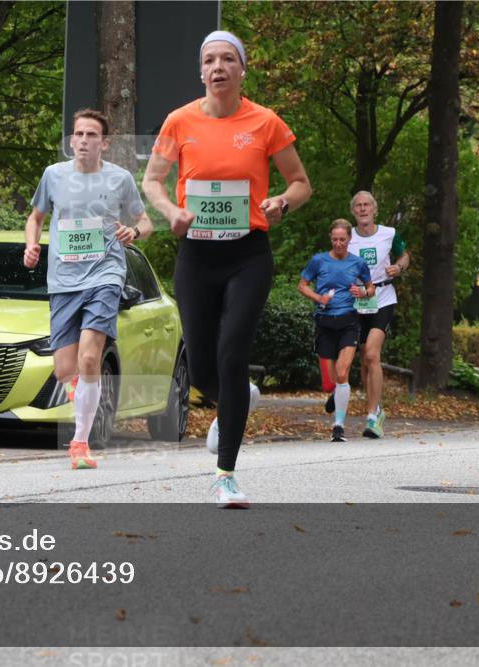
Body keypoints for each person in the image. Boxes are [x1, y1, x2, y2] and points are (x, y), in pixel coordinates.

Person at [142, 30, 311, 508]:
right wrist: (170, 212)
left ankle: (225, 476)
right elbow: (152, 180)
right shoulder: (179, 121)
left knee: (233, 354)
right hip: (196, 256)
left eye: (227, 60)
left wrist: (282, 200)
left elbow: (300, 183)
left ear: (242, 70)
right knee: (201, 370)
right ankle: (241, 396)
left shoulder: (265, 122)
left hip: (248, 254)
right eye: (209, 60)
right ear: (201, 72)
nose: (218, 67)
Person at [24, 108, 153, 470]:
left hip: (105, 275)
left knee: (90, 358)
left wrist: (136, 231)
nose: (82, 140)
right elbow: (35, 219)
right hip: (63, 281)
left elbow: (145, 220)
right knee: (65, 368)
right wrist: (30, 245)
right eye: (78, 134)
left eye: (91, 135)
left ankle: (80, 443)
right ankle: (78, 392)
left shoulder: (120, 179)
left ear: (105, 143)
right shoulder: (53, 176)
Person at [299, 219, 374, 442]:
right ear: (330, 239)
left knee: (343, 374)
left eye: (343, 239)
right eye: (335, 240)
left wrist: (363, 293)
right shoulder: (318, 261)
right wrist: (318, 297)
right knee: (331, 381)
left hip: (349, 322)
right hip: (324, 322)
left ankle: (338, 426)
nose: (339, 243)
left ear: (350, 239)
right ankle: (335, 393)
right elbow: (302, 285)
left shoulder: (358, 263)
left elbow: (370, 287)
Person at [346, 191, 410, 438]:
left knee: (372, 353)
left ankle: (373, 416)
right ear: (353, 211)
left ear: (374, 210)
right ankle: (376, 408)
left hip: (383, 297)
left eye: (367, 205)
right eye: (358, 206)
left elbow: (405, 255)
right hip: (358, 300)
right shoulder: (347, 237)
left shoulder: (389, 234)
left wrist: (399, 266)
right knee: (364, 359)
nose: (363, 209)